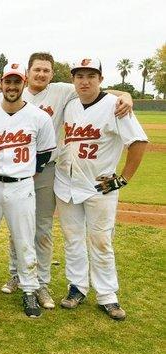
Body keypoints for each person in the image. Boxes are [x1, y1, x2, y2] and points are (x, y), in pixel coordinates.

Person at [0, 53, 134, 311]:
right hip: (22, 170)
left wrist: (125, 95)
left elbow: (96, 89)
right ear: (27, 73)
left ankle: (45, 282)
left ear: (52, 74)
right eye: (37, 70)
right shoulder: (12, 91)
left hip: (48, 169)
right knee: (20, 225)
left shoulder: (62, 91)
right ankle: (18, 274)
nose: (41, 74)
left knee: (47, 229)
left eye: (46, 70)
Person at [54, 58, 147, 320]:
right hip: (66, 184)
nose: (84, 81)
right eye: (79, 76)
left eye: (91, 76)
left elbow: (138, 142)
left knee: (102, 241)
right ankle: (77, 287)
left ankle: (108, 295)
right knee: (73, 240)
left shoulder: (114, 106)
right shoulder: (70, 104)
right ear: (73, 80)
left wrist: (123, 178)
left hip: (100, 186)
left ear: (101, 80)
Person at [0, 62, 56, 318]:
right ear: (1, 84)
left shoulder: (39, 117)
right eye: (7, 82)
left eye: (16, 82)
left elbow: (43, 156)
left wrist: (23, 177)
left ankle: (30, 290)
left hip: (21, 186)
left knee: (25, 241)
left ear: (24, 84)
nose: (12, 86)